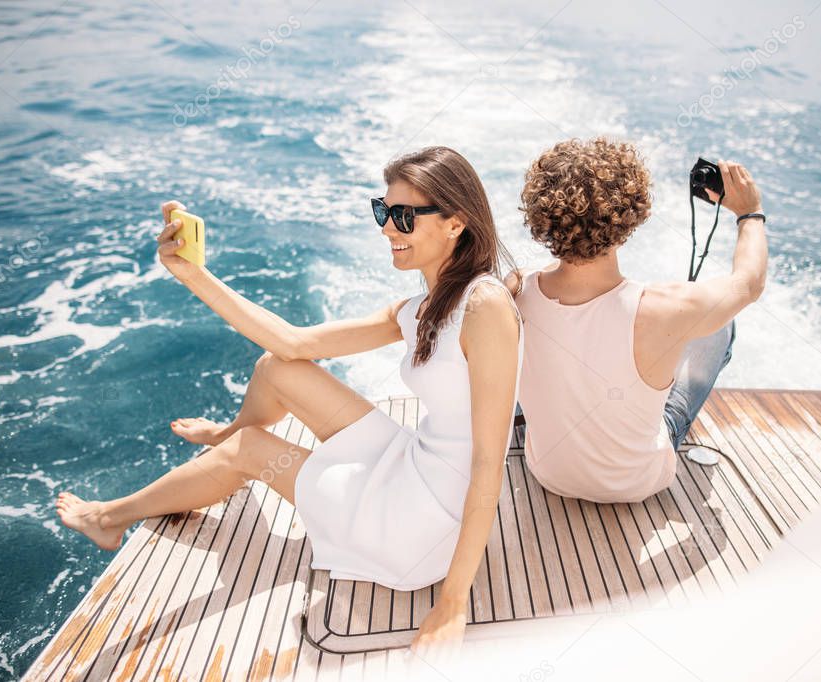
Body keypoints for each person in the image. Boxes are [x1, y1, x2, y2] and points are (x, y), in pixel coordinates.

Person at [55, 146, 524, 652]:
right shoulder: (423, 306)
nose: (387, 228)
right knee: (277, 369)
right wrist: (193, 274)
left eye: (404, 216)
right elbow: (293, 342)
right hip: (416, 461)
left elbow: (488, 461)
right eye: (382, 211)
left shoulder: (485, 305)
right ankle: (225, 445)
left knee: (253, 449)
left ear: (456, 223)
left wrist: (452, 603)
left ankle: (109, 519)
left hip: (426, 519)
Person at [505, 138, 767, 504]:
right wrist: (749, 213)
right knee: (720, 327)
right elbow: (749, 284)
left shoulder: (515, 290)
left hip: (548, 473)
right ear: (630, 214)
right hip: (637, 483)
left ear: (540, 216)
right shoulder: (663, 308)